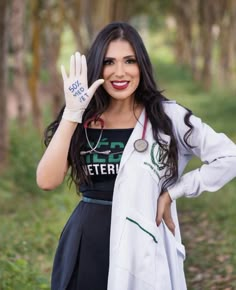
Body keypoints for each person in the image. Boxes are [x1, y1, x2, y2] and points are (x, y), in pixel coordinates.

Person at [36, 22, 236, 290]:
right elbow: (47, 180)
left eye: (129, 61)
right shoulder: (81, 117)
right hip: (88, 242)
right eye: (109, 62)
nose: (120, 72)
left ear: (141, 64)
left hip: (143, 241)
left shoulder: (167, 118)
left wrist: (174, 192)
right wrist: (72, 113)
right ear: (98, 67)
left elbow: (228, 157)